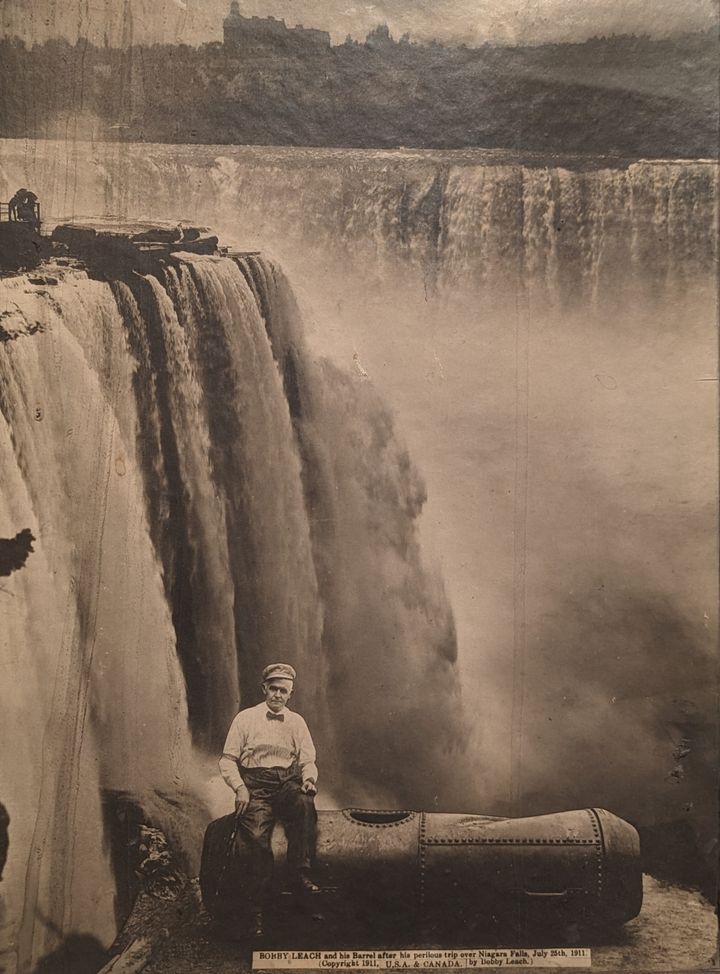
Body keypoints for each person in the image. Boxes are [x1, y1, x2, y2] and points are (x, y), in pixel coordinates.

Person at [219, 663, 319, 937]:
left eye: (283, 690)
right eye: (273, 688)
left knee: (304, 804)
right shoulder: (245, 719)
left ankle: (300, 872)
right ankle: (256, 911)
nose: (277, 695)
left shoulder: (297, 722)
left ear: (290, 694)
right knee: (254, 837)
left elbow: (308, 759)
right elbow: (227, 760)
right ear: (264, 688)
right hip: (256, 786)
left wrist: (309, 779)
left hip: (287, 782)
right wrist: (240, 788)